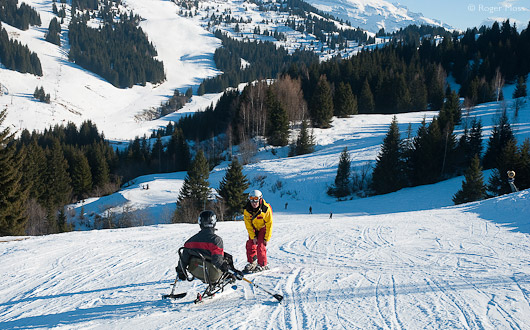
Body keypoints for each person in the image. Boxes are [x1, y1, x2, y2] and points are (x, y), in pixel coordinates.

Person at [177, 210, 241, 282]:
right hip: (212, 274)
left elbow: (184, 259)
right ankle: (229, 276)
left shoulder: (190, 241)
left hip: (195, 271)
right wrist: (232, 271)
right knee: (227, 257)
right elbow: (217, 260)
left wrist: (180, 271)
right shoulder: (216, 240)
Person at [243, 190, 273, 273]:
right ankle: (252, 262)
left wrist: (266, 238)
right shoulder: (247, 210)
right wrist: (253, 237)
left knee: (260, 245)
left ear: (260, 199)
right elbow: (248, 225)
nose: (254, 202)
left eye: (256, 199)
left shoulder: (266, 209)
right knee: (250, 244)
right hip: (254, 228)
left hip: (263, 228)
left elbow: (269, 224)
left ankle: (262, 264)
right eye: (251, 199)